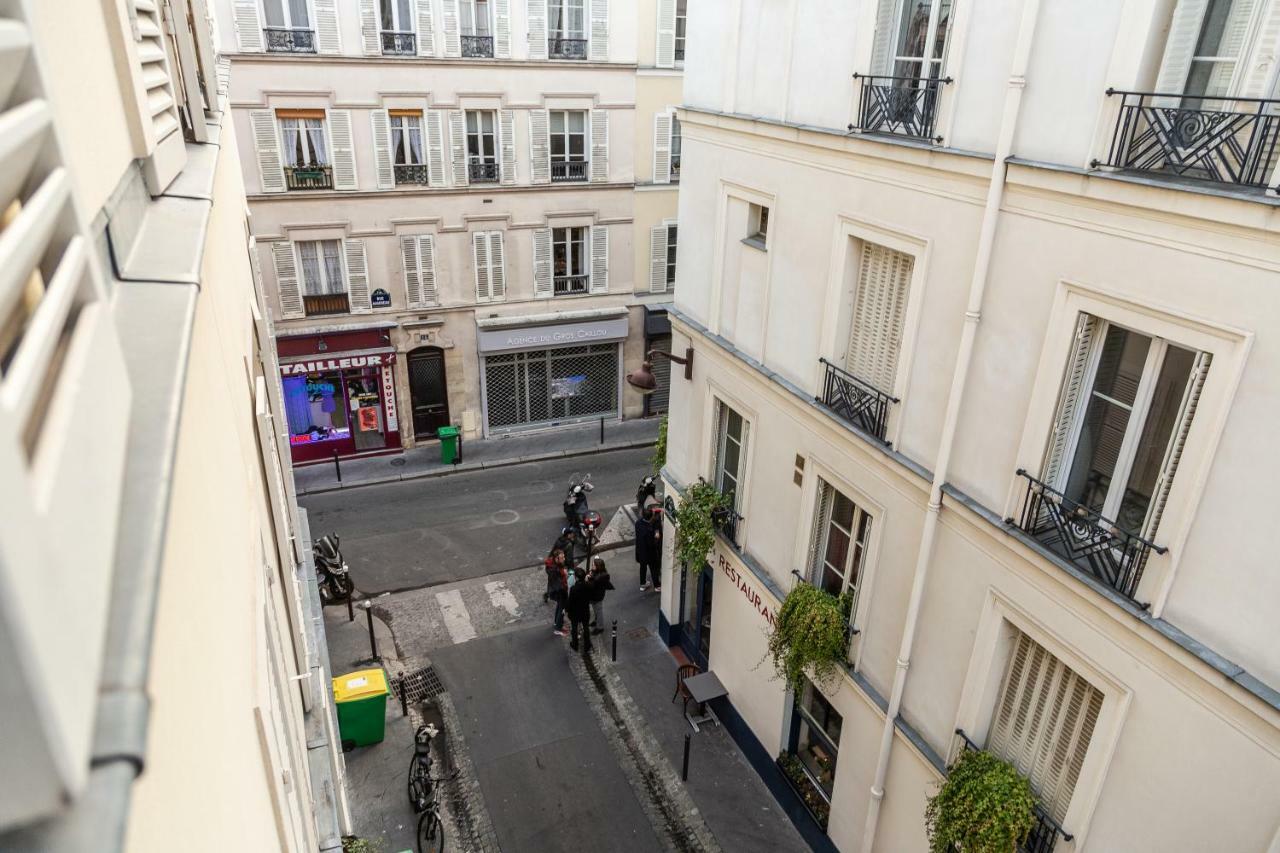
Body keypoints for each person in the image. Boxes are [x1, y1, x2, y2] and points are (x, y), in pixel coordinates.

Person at [635, 506, 662, 591]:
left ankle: (643, 584)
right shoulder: (650, 530)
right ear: (651, 518)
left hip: (640, 551)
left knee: (643, 568)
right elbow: (653, 543)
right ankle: (657, 586)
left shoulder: (638, 523)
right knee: (654, 569)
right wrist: (657, 537)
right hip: (650, 553)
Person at [566, 567, 593, 653]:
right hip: (585, 610)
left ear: (576, 578)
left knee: (574, 628)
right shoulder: (588, 585)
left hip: (575, 612)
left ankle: (575, 644)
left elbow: (570, 601)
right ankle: (587, 645)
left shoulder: (574, 589)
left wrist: (567, 610)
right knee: (586, 627)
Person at [587, 556, 614, 634]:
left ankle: (600, 627)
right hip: (594, 596)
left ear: (598, 567)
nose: (592, 567)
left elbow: (592, 585)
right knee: (596, 610)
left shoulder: (600, 577)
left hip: (597, 597)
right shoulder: (598, 573)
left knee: (598, 611)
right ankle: (596, 621)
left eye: (593, 565)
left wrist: (588, 578)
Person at [546, 549, 569, 637]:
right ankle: (558, 629)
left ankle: (556, 623)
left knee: (559, 607)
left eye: (564, 557)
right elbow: (559, 585)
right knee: (562, 610)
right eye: (562, 557)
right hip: (559, 592)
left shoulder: (553, 566)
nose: (564, 559)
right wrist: (565, 575)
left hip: (556, 591)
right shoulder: (555, 570)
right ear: (556, 559)